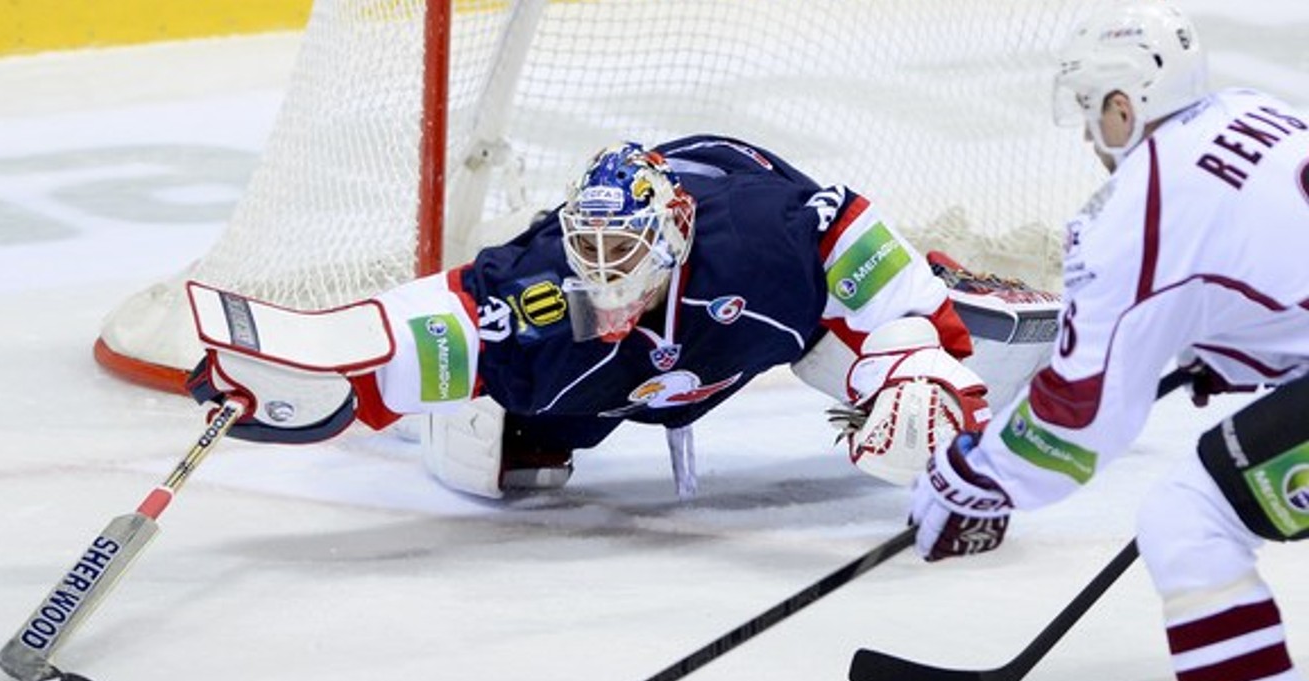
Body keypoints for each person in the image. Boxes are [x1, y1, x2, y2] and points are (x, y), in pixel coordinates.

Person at [184, 135, 1045, 500]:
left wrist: (921, 364)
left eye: (622, 253)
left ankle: (965, 291)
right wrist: (319, 375)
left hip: (742, 230)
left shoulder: (762, 237)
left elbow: (848, 234)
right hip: (648, 366)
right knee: (492, 462)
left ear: (670, 232)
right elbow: (435, 324)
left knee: (902, 380)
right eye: (586, 251)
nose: (603, 274)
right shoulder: (547, 288)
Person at [905, 2, 1309, 681]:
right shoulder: (1253, 112)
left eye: (1095, 111)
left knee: (1186, 520)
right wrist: (1236, 352)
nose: (1092, 135)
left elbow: (1077, 421)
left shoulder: (1133, 210)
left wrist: (974, 478)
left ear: (1126, 107)